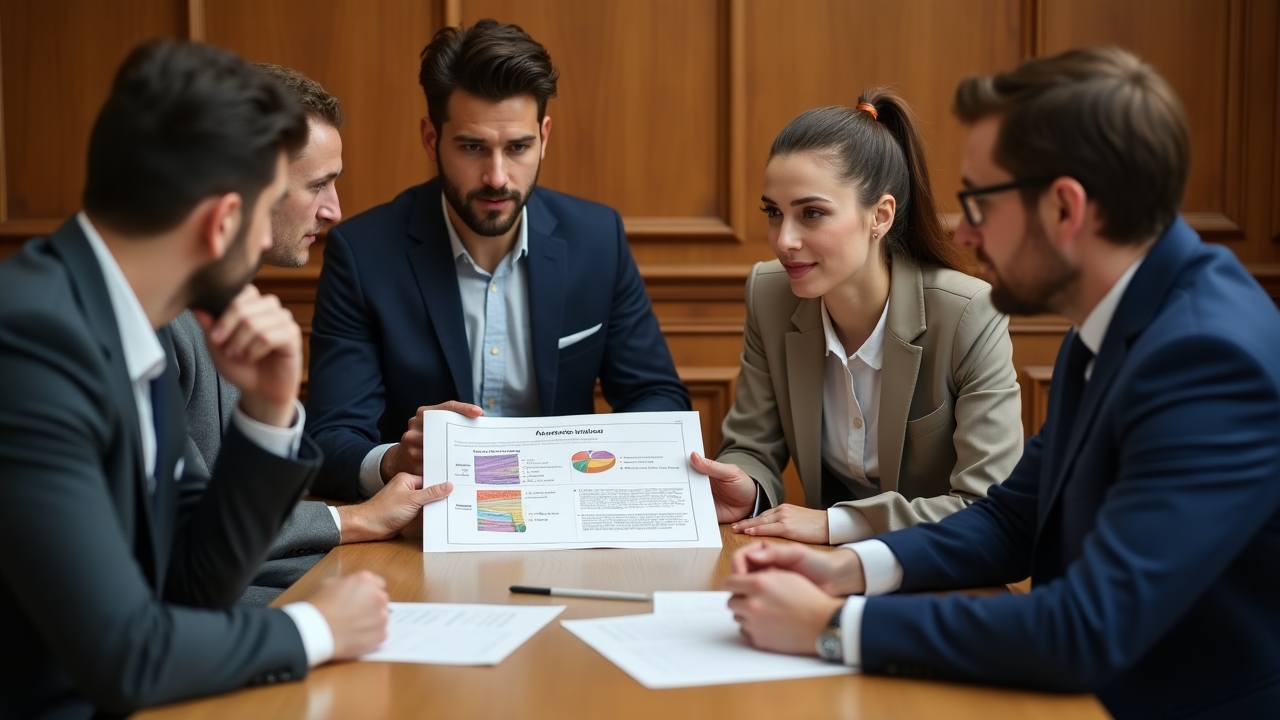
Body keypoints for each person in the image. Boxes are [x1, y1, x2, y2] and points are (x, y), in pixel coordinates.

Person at [724, 46, 1280, 719]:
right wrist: (848, 569)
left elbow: (1085, 629)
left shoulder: (1204, 357)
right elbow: (1009, 519)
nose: (964, 233)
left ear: (1065, 208)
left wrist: (833, 628)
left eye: (979, 203)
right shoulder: (1110, 323)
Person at [0, 40, 390, 718]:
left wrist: (267, 415)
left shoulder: (125, 322)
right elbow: (127, 654)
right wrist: (319, 627)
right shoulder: (30, 341)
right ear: (222, 224)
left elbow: (192, 580)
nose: (332, 212)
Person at [305, 19, 690, 502]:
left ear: (544, 137)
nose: (496, 176)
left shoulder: (598, 239)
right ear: (431, 139)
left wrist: (604, 462)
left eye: (518, 147)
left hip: (567, 509)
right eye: (472, 147)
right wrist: (394, 460)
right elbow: (331, 438)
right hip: (426, 521)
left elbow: (658, 397)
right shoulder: (363, 254)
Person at [167, 63, 451, 605]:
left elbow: (272, 492)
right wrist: (353, 522)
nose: (335, 210)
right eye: (319, 184)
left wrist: (385, 481)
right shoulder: (161, 321)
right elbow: (194, 541)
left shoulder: (238, 308)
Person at [690, 91, 1023, 545]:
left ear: (880, 216)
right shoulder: (769, 295)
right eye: (773, 213)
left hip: (941, 575)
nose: (784, 240)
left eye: (812, 214)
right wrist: (748, 488)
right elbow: (752, 445)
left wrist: (836, 523)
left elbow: (988, 505)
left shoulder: (969, 313)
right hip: (824, 574)